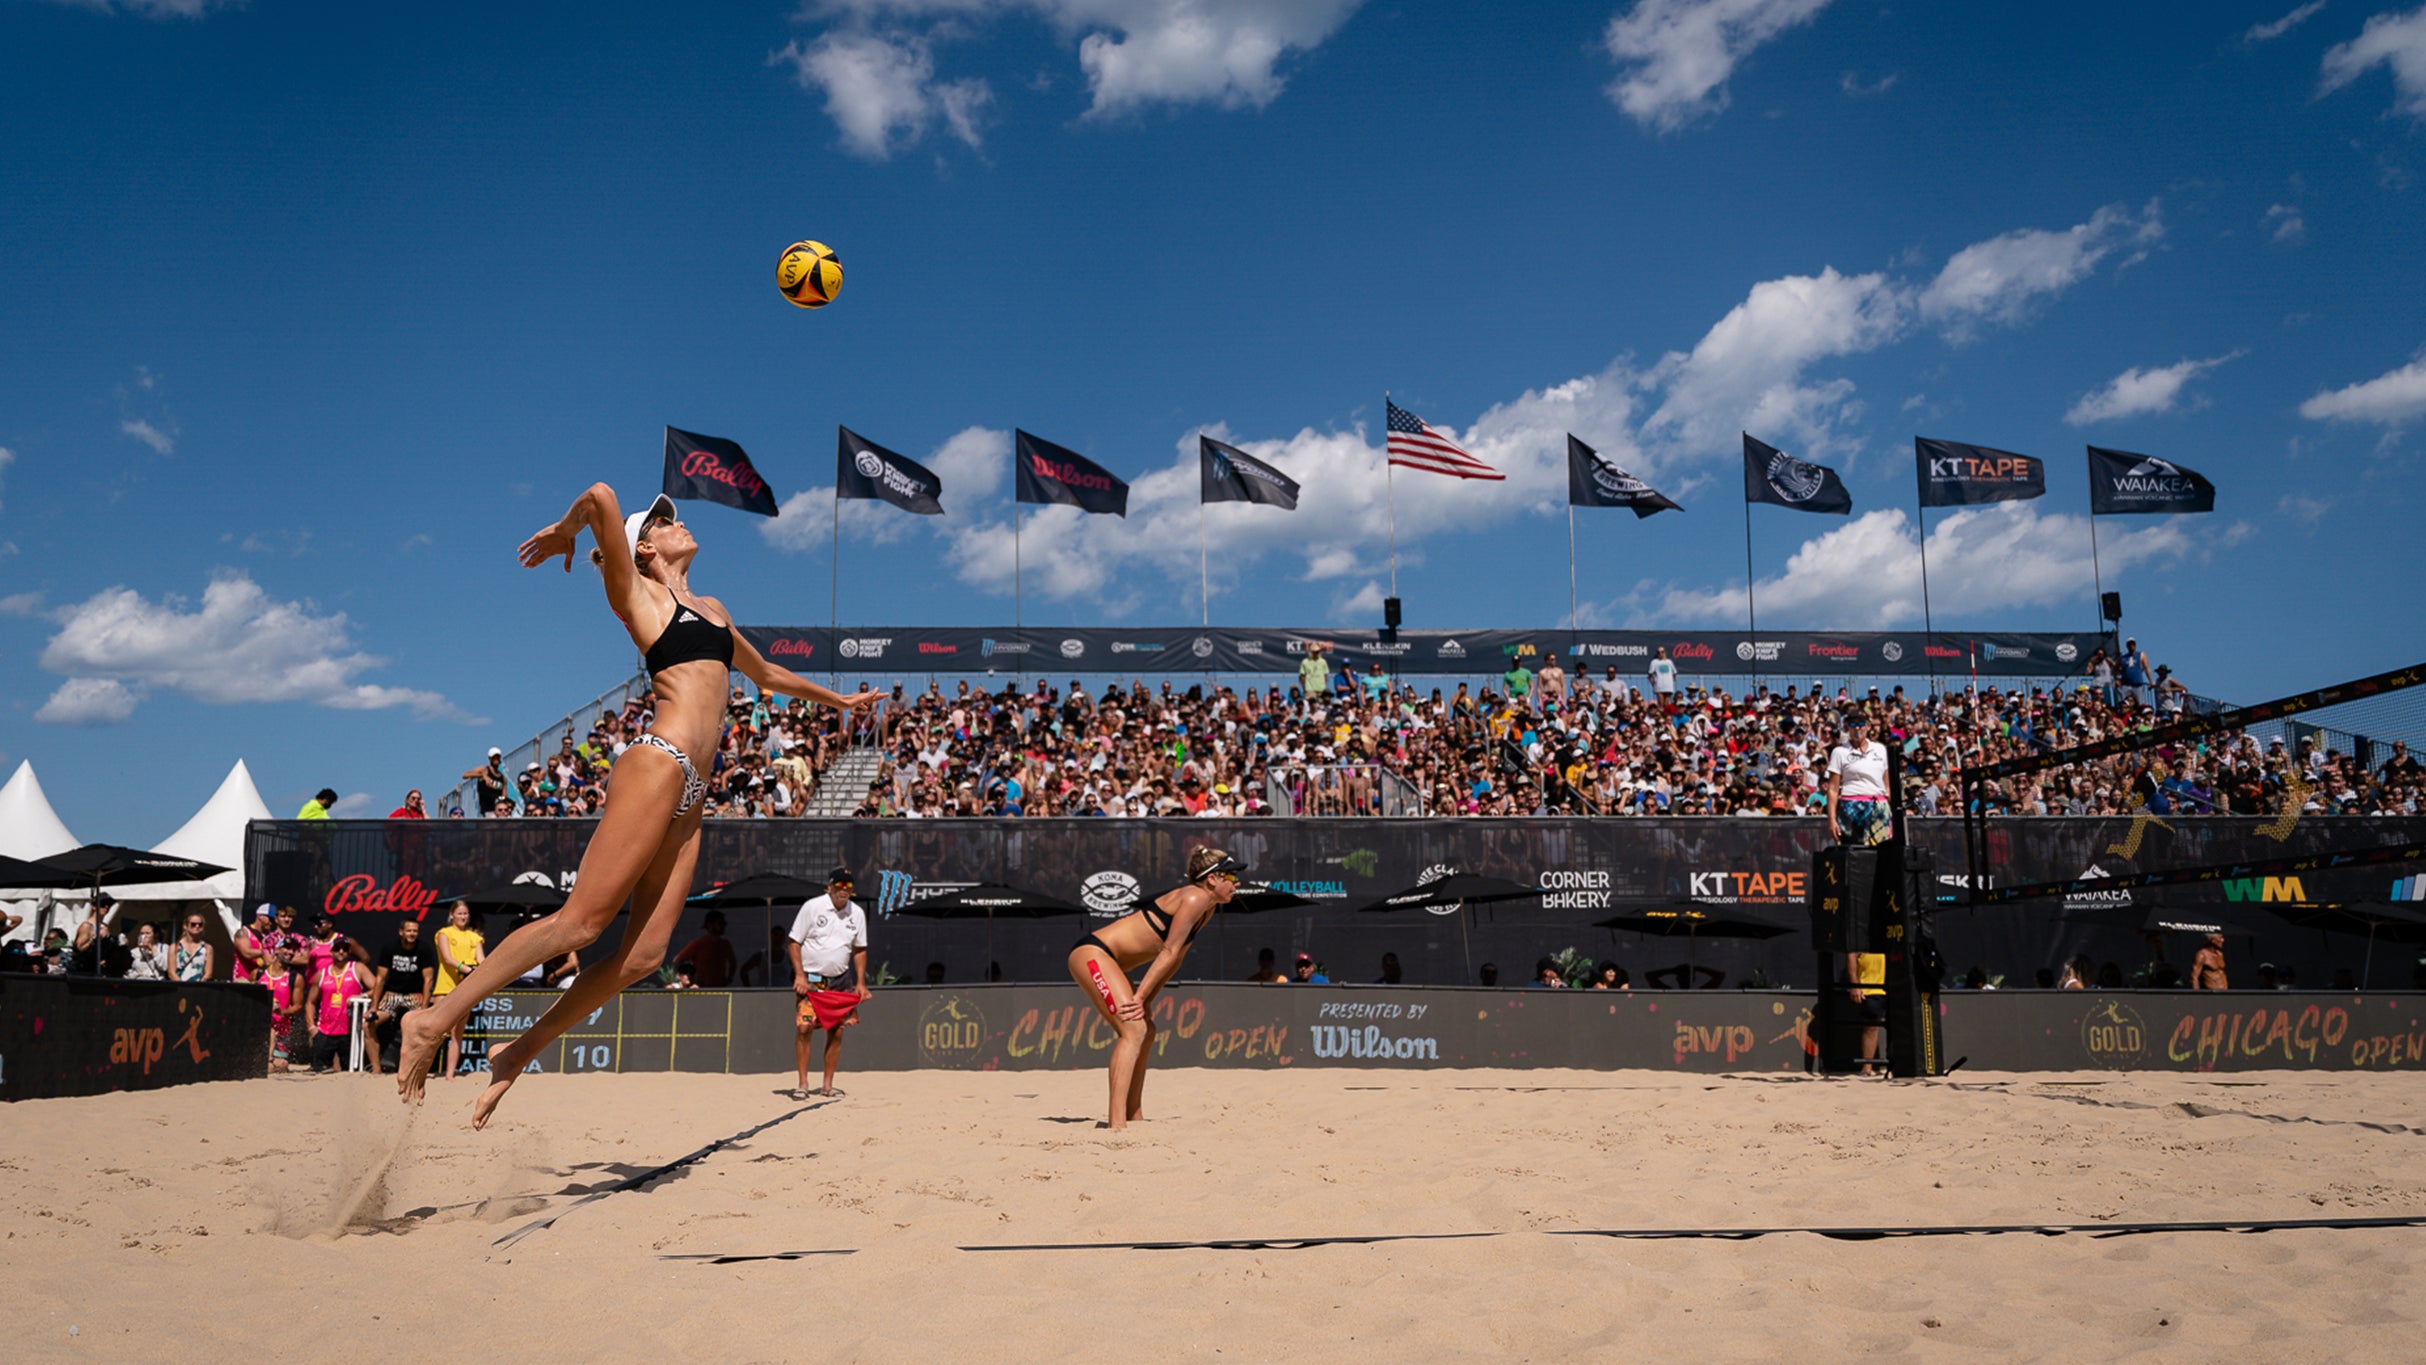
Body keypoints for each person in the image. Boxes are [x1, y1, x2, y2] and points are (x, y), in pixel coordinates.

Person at [395, 486, 878, 1126]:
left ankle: (516, 1053)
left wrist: (839, 704)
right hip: (660, 762)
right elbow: (599, 496)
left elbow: (765, 676)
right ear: (642, 547)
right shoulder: (637, 593)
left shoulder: (711, 608)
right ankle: (432, 1020)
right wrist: (570, 531)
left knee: (645, 956)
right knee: (580, 925)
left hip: (695, 792)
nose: (679, 523)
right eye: (663, 521)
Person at [1066, 846, 1242, 1130]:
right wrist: (1139, 996)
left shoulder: (1205, 909)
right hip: (1093, 954)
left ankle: (1134, 1115)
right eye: (1231, 876)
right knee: (1133, 1029)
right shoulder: (1196, 897)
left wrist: (1146, 1000)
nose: (1236, 883)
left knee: (1147, 1029)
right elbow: (1168, 951)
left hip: (1109, 960)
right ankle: (1116, 1124)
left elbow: (1175, 959)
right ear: (1212, 879)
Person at [787, 867, 870, 1100]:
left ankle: (827, 1085)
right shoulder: (812, 907)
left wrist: (861, 983)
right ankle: (803, 1084)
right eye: (840, 885)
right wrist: (800, 975)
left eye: (849, 886)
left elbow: (860, 949)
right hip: (813, 979)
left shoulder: (857, 913)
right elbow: (794, 942)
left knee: (836, 1031)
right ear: (830, 887)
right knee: (804, 1028)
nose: (844, 890)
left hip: (841, 980)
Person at [367, 918, 437, 1075]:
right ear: (401, 932)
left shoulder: (424, 949)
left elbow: (428, 980)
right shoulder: (389, 948)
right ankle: (376, 1068)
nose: (412, 934)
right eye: (409, 930)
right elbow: (380, 979)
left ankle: (415, 1069)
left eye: (415, 931)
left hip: (414, 995)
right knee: (368, 1025)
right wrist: (373, 1006)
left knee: (423, 1028)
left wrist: (424, 1008)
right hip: (392, 994)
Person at [431, 901, 485, 1083]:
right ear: (452, 914)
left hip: (465, 990)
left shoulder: (474, 937)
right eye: (460, 913)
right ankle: (422, 1069)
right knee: (435, 1033)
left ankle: (449, 1075)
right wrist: (467, 969)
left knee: (457, 1034)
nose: (463, 917)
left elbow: (482, 960)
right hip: (445, 987)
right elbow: (448, 959)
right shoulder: (444, 933)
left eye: (465, 914)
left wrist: (478, 969)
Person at [1826, 711, 1892, 847]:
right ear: (1847, 727)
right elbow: (1833, 789)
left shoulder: (1880, 750)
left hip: (1879, 806)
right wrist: (1832, 819)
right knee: (1854, 852)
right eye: (1853, 724)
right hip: (1851, 806)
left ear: (1868, 726)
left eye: (1861, 724)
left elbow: (1886, 783)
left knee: (1884, 851)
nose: (1857, 728)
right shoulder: (1839, 752)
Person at [306, 939, 372, 1073]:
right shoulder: (322, 973)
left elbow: (377, 988)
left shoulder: (357, 968)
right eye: (337, 948)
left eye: (345, 949)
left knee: (349, 1072)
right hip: (325, 1032)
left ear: (349, 951)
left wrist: (362, 996)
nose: (341, 951)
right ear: (331, 951)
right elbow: (310, 1002)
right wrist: (312, 1027)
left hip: (350, 1032)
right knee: (319, 1072)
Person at [672, 909, 738, 989]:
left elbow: (733, 962)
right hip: (702, 988)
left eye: (724, 924)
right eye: (720, 923)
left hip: (719, 988)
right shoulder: (699, 943)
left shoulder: (725, 944)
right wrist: (683, 980)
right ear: (710, 925)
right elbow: (677, 960)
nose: (723, 926)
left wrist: (729, 978)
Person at [462, 748, 510, 816]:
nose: (496, 759)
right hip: (487, 810)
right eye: (494, 757)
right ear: (490, 758)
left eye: (497, 757)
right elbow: (465, 775)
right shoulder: (484, 770)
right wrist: (482, 776)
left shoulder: (502, 777)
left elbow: (504, 796)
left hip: (498, 810)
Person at [170, 912, 213, 982]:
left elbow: (208, 973)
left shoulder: (207, 948)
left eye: (200, 924)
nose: (197, 926)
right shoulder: (175, 947)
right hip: (179, 987)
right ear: (185, 926)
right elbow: (171, 973)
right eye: (193, 924)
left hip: (199, 987)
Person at [1647, 646, 1679, 715]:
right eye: (1658, 652)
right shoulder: (1654, 662)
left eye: (1662, 652)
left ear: (1665, 652)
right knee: (1661, 704)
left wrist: (1671, 681)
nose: (1660, 654)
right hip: (1659, 685)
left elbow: (1674, 672)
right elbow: (1650, 675)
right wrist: (1654, 684)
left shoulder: (1669, 662)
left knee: (1666, 705)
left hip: (1668, 686)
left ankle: (1666, 718)